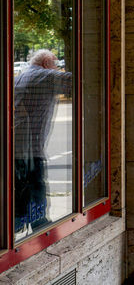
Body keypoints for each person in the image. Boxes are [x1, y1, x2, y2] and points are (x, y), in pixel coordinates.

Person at [14, 49, 72, 235]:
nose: (56, 67)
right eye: (55, 63)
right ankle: (42, 233)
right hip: (31, 149)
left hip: (15, 147)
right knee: (36, 187)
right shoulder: (44, 76)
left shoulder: (20, 77)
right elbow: (77, 81)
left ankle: (16, 227)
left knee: (20, 191)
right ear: (47, 63)